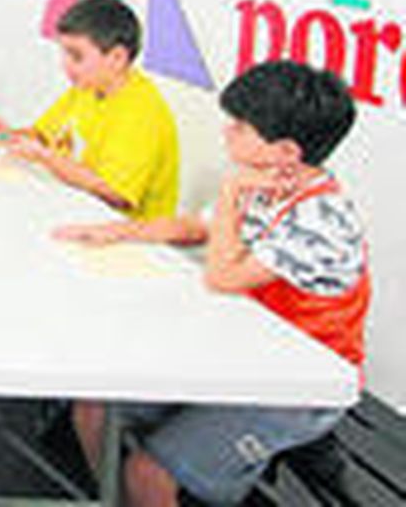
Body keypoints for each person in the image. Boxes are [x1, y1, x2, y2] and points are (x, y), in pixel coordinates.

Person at [54, 61, 369, 506]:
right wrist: (117, 232)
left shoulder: (320, 219)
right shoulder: (265, 181)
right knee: (92, 407)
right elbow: (196, 228)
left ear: (285, 152)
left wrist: (228, 194)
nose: (227, 133)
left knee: (147, 473)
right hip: (244, 350)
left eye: (240, 127)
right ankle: (111, 497)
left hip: (300, 384)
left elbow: (221, 276)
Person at [0, 0, 179, 221]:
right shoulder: (88, 86)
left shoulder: (142, 113)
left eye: (76, 56)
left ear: (117, 58)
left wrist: (47, 159)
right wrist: (6, 135)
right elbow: (41, 136)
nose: (65, 66)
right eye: (64, 53)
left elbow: (115, 194)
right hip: (73, 209)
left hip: (123, 233)